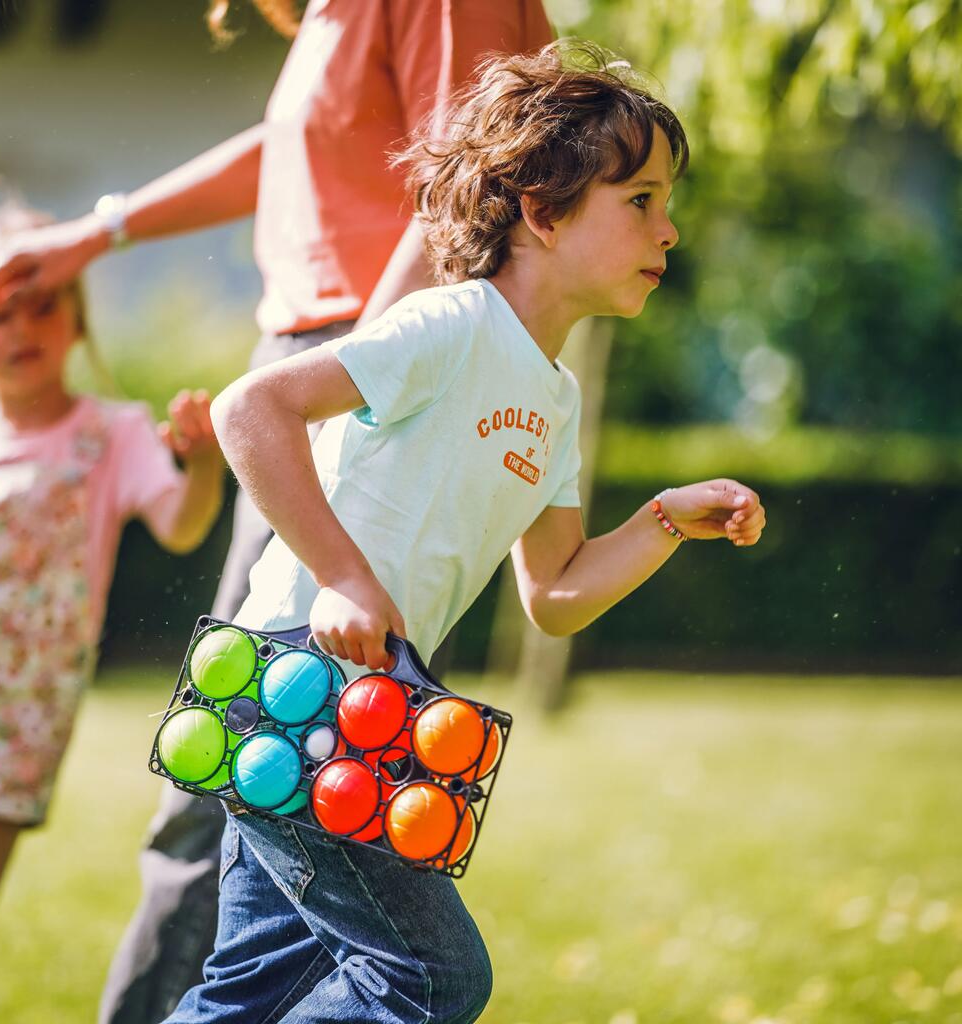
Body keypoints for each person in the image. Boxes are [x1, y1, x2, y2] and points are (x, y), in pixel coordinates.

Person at [0, 3, 555, 1019]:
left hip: (351, 371)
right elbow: (292, 153)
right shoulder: (337, 14)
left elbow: (472, 179)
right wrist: (101, 230)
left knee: (260, 768)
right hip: (314, 367)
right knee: (252, 778)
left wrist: (352, 389)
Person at [177, 41, 769, 1024]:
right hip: (295, 680)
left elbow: (558, 590)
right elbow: (251, 411)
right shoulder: (450, 326)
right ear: (543, 210)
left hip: (363, 704)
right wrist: (344, 577)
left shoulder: (554, 396)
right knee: (432, 978)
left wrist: (665, 520)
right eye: (640, 201)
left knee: (244, 999)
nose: (669, 230)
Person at [0, 201, 223, 1024]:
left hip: (13, 723)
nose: (22, 328)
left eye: (43, 304)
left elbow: (182, 523)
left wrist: (199, 465)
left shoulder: (113, 435)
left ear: (75, 320)